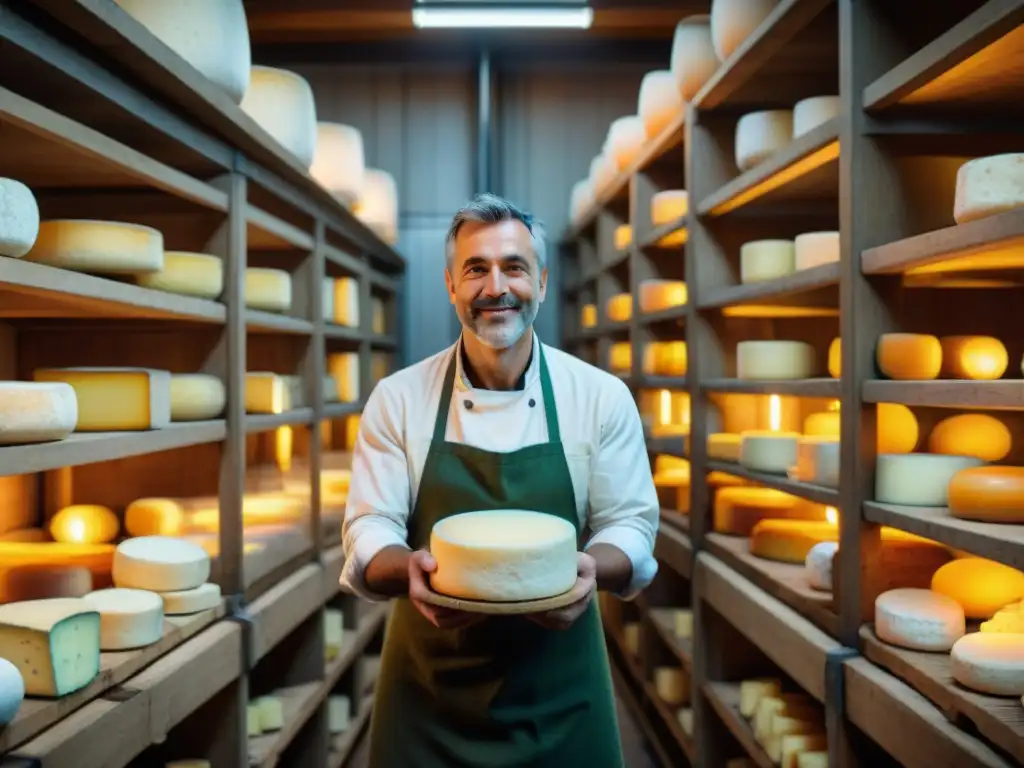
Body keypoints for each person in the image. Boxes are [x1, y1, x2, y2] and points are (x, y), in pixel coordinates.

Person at [340, 193, 660, 768]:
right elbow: (369, 524)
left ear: (540, 279)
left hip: (560, 693)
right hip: (429, 694)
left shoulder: (599, 396)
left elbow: (629, 523)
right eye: (475, 269)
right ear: (450, 286)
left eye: (513, 266)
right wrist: (405, 568)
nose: (496, 287)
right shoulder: (399, 398)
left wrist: (589, 568)